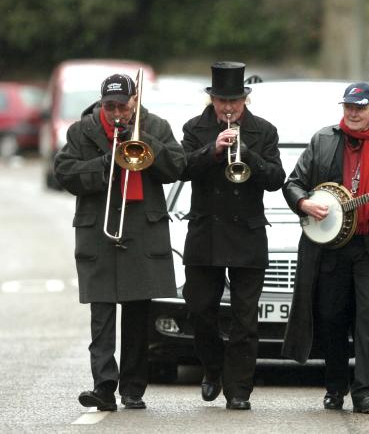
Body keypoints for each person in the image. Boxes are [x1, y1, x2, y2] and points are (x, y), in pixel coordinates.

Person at [282, 82, 369, 414]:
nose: (353, 113)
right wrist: (304, 204)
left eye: (360, 107)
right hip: (330, 250)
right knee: (331, 318)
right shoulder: (323, 140)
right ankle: (334, 386)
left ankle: (365, 392)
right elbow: (293, 182)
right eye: (348, 107)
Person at [54, 73, 186, 411]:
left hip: (142, 228)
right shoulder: (82, 130)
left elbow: (178, 167)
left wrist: (145, 144)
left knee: (138, 312)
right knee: (101, 313)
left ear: (135, 101)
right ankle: (103, 387)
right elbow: (65, 173)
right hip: (99, 230)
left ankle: (132, 388)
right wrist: (106, 161)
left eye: (123, 107)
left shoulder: (155, 125)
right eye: (109, 106)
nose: (116, 114)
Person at [179, 61, 285, 410]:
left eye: (235, 102)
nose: (228, 108)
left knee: (244, 319)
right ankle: (212, 368)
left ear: (245, 100)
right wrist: (214, 150)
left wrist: (246, 153)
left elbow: (275, 179)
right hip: (206, 232)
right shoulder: (195, 128)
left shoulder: (264, 131)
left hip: (247, 234)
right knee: (199, 310)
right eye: (222, 101)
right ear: (212, 100)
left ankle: (239, 390)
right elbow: (182, 168)